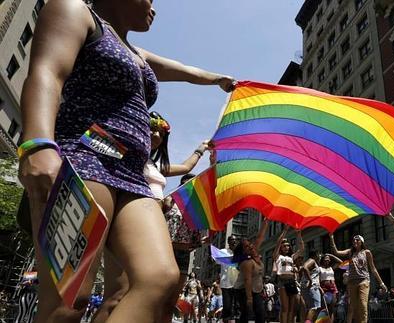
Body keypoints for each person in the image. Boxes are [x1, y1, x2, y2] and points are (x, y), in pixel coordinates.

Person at [18, 0, 235, 321]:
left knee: (159, 278)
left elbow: (187, 72)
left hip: (133, 176)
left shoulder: (139, 55)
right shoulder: (75, 11)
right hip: (83, 159)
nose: (155, 8)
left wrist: (220, 80)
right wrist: (37, 145)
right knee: (68, 302)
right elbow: (47, 71)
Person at [94, 112, 212, 323]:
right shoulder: (127, 154)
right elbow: (95, 143)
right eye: (150, 127)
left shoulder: (155, 166)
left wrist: (201, 148)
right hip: (127, 224)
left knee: (139, 290)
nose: (155, 134)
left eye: (160, 132)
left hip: (147, 228)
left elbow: (186, 168)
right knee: (118, 294)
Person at [329, 233, 387, 323]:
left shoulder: (366, 252)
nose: (355, 241)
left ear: (362, 242)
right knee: (354, 307)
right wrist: (331, 237)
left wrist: (381, 283)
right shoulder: (350, 252)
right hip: (352, 283)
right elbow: (336, 252)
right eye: (353, 240)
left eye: (357, 240)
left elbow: (373, 269)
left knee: (363, 305)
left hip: (364, 281)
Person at [233, 218, 270, 323]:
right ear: (243, 252)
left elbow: (260, 237)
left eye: (250, 244)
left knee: (260, 314)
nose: (250, 246)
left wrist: (266, 222)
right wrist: (249, 298)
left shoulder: (254, 251)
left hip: (255, 290)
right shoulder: (247, 263)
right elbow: (247, 280)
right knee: (246, 313)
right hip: (243, 290)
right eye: (246, 247)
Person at [273, 228, 305, 323]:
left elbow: (302, 248)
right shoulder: (278, 256)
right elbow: (278, 242)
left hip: (292, 282)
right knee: (285, 308)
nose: (286, 247)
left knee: (292, 309)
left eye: (288, 246)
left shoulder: (291, 257)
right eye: (284, 246)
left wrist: (299, 234)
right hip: (282, 282)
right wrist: (285, 231)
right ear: (281, 247)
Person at [221, 235, 240, 323]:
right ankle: (225, 320)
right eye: (232, 240)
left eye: (235, 240)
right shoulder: (223, 251)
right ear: (228, 242)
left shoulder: (240, 253)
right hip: (226, 283)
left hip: (238, 284)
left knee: (237, 306)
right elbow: (214, 259)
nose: (234, 241)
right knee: (227, 306)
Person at [318, 253, 343, 321]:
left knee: (332, 310)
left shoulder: (331, 268)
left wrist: (331, 255)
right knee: (324, 309)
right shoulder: (319, 268)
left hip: (333, 288)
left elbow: (341, 262)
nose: (327, 261)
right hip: (324, 289)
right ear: (322, 260)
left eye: (328, 260)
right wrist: (320, 289)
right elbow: (317, 280)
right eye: (326, 260)